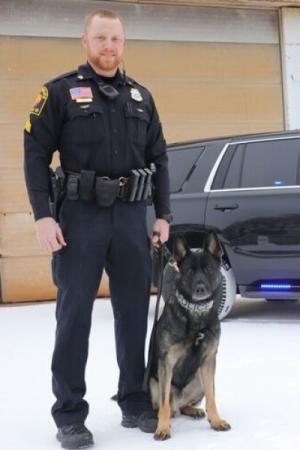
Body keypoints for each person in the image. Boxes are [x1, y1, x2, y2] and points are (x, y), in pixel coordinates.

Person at [24, 9, 171, 450]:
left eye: (116, 39)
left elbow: (160, 159)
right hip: (79, 218)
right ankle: (69, 414)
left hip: (130, 219)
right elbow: (34, 154)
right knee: (74, 317)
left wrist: (162, 214)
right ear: (84, 41)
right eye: (101, 38)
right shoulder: (60, 93)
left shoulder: (142, 98)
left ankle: (134, 401)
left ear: (124, 44)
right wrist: (42, 215)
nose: (109, 46)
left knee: (132, 314)